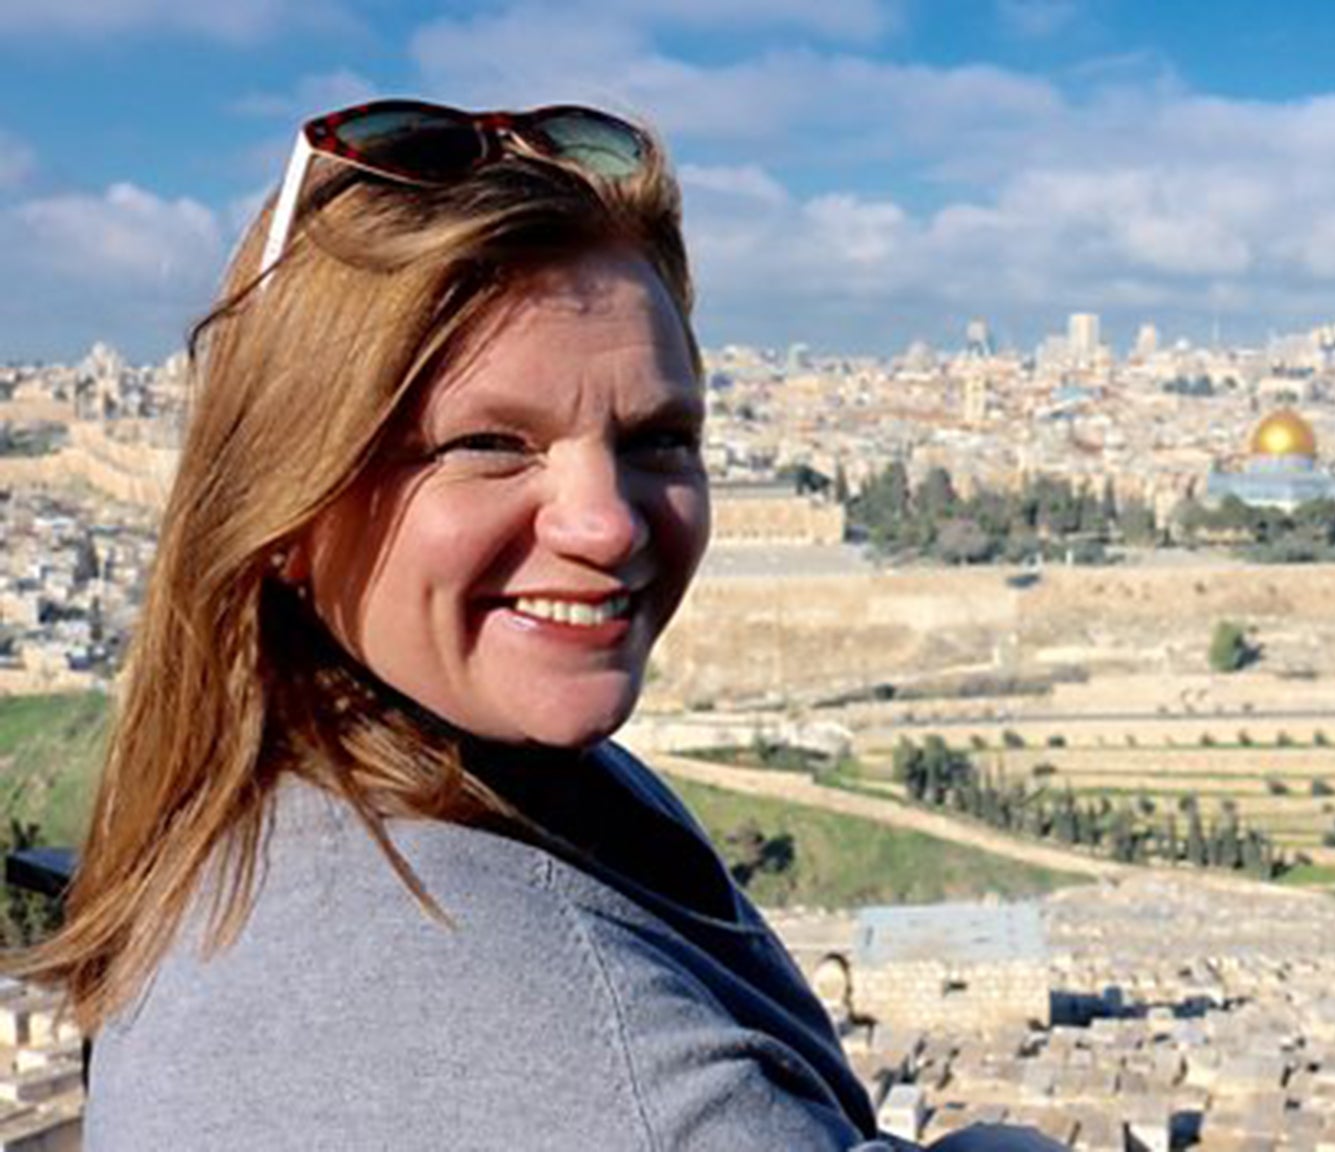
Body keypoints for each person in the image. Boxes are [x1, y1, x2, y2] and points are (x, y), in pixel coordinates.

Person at [17, 100, 1052, 1150]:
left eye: (657, 438)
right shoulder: (589, 1060)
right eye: (488, 443)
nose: (604, 523)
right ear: (285, 508)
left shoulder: (290, 817)